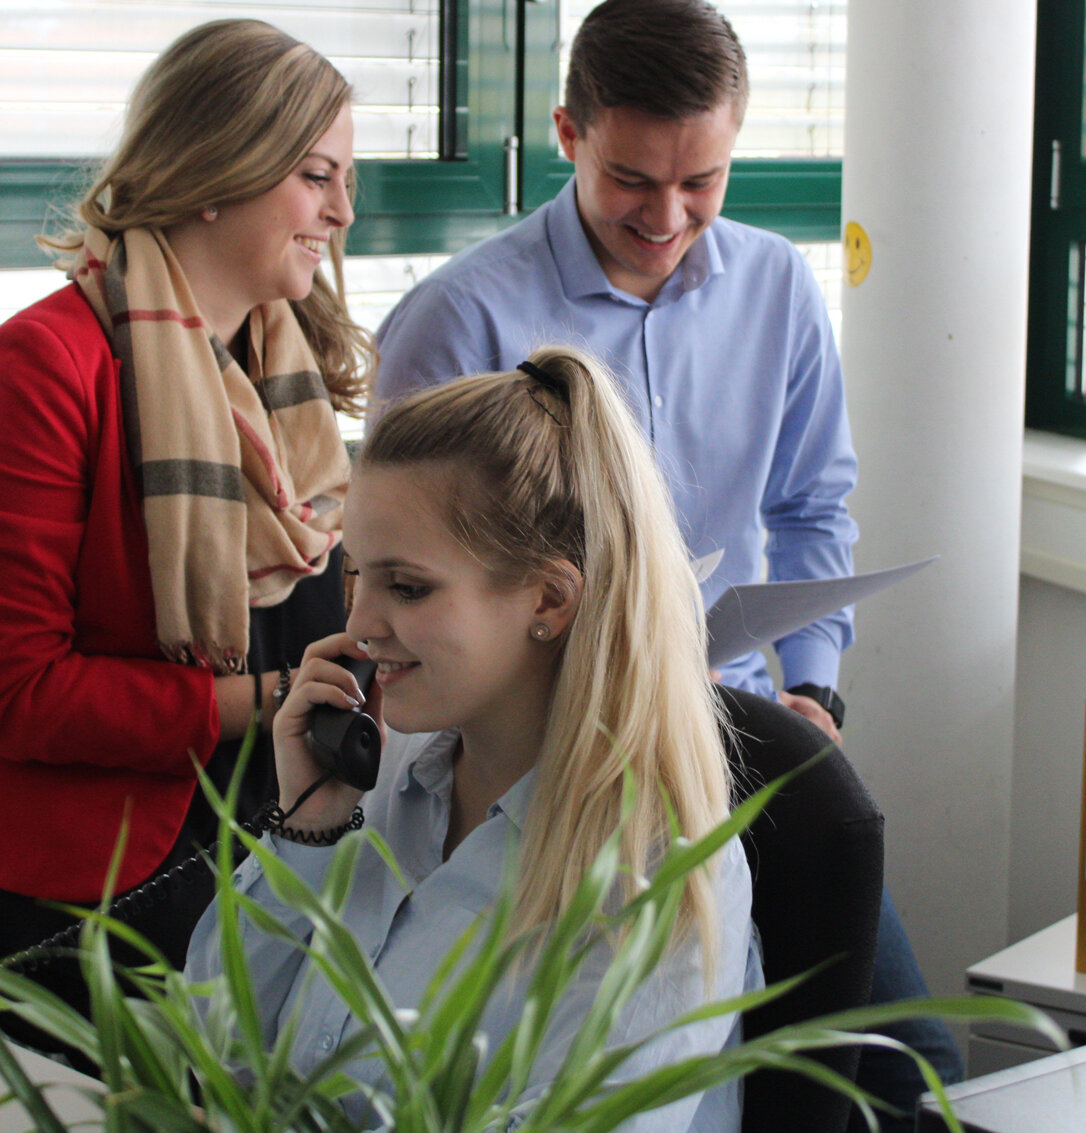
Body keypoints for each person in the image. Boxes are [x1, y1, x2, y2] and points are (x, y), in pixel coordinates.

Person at [371, 0, 963, 1118]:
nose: (668, 214)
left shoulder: (777, 288)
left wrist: (814, 680)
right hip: (552, 772)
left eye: (702, 180)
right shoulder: (457, 320)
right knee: (622, 1086)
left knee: (909, 1073)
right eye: (633, 179)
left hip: (739, 727)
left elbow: (808, 501)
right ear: (566, 133)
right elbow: (416, 583)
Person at [0, 18, 372, 1023]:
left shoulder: (278, 368)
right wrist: (276, 697)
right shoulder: (40, 366)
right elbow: (14, 694)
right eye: (315, 174)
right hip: (99, 883)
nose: (342, 210)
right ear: (216, 169)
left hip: (275, 837)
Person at [188, 347, 759, 1132]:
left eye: (408, 586)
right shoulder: (373, 780)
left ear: (549, 600)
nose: (357, 626)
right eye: (355, 577)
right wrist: (305, 832)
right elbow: (215, 1056)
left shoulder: (653, 871)